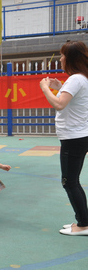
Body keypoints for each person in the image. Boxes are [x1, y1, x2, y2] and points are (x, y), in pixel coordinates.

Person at [39, 40, 88, 235]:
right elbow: (72, 100)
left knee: (70, 181)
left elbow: (59, 104)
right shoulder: (82, 78)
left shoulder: (76, 79)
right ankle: (83, 220)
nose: (60, 58)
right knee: (72, 180)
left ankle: (83, 224)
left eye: (63, 55)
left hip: (74, 137)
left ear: (71, 58)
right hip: (79, 135)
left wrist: (45, 88)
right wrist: (60, 86)